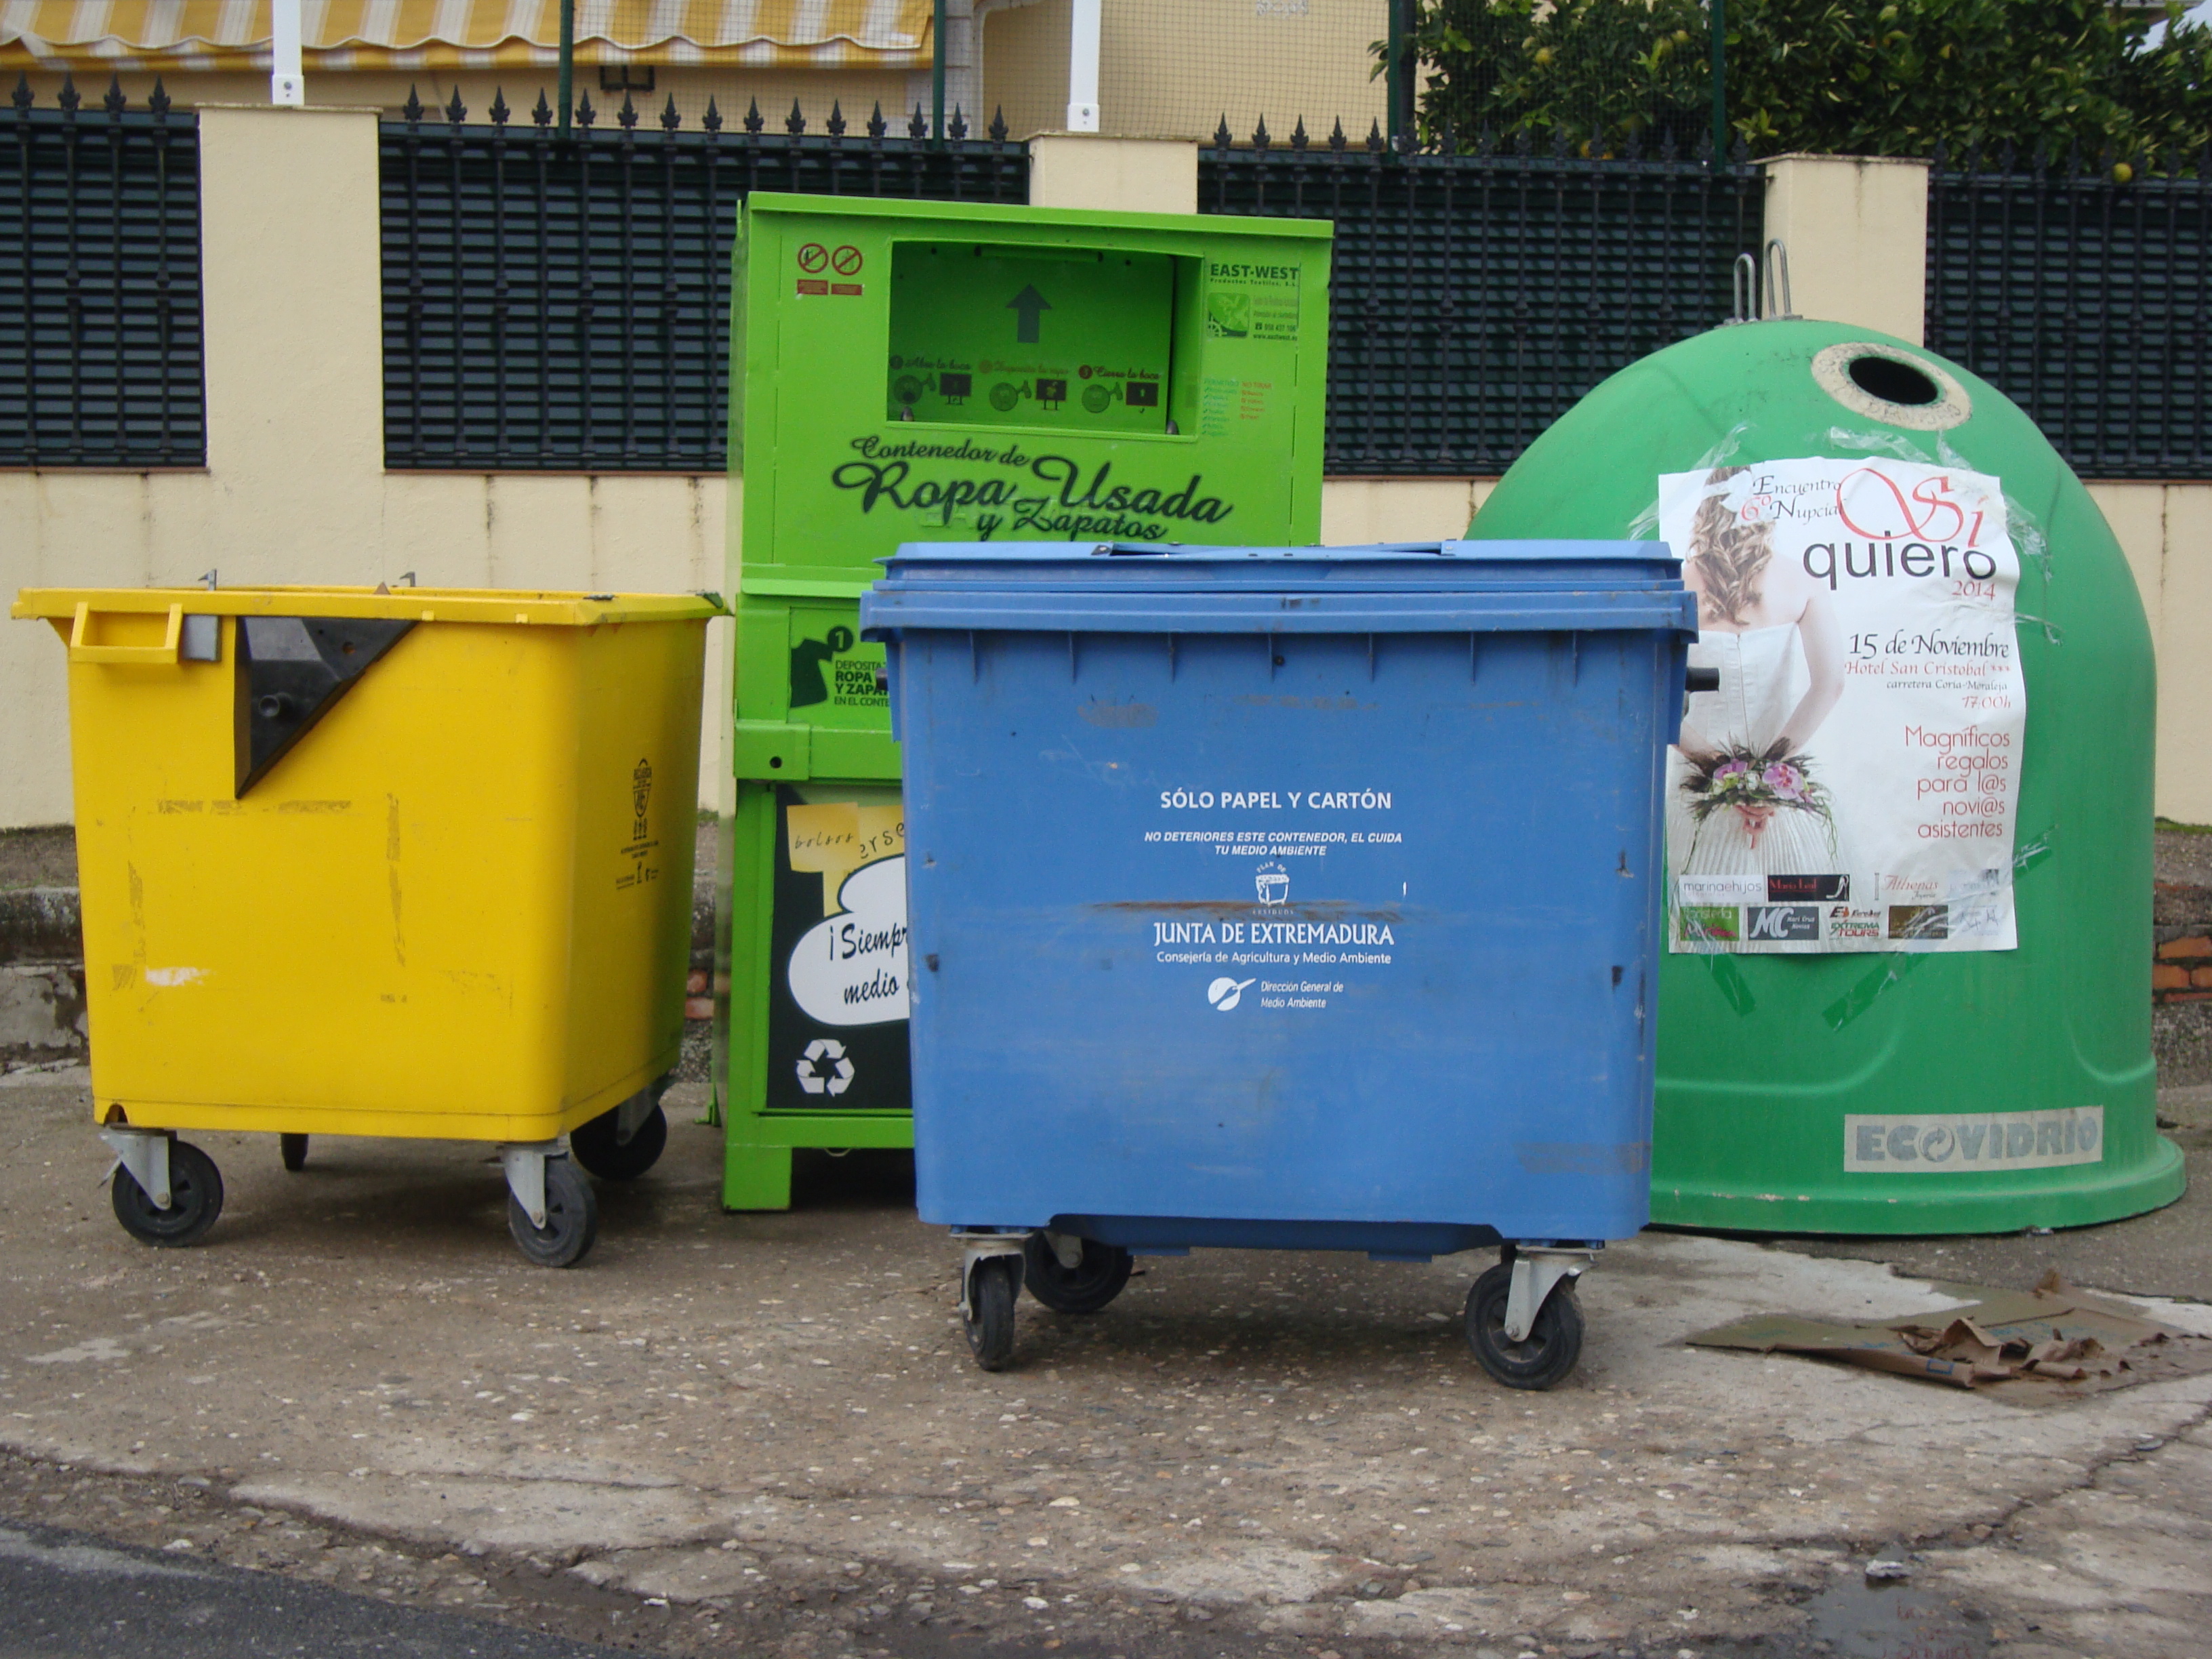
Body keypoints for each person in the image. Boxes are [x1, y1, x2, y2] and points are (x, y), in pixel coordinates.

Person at [1669, 468, 1846, 875]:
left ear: (1706, 508)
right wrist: (1770, 778)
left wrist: (1724, 776)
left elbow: (1659, 692)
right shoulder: (1801, 581)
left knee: (1695, 911)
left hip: (1697, 780)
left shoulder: (1678, 586)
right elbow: (1830, 684)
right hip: (1783, 783)